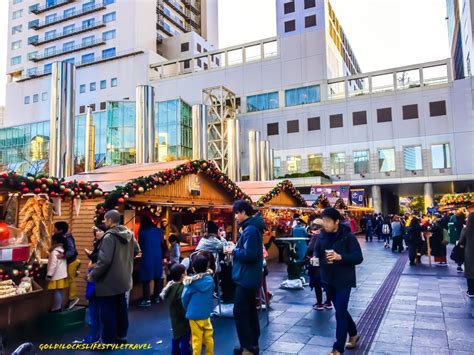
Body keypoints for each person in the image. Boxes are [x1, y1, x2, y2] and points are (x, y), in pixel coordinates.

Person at [314, 208, 363, 355]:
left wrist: (340, 257)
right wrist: (315, 259)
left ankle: (337, 349)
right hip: (327, 279)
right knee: (341, 310)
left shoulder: (348, 237)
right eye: (324, 221)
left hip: (344, 280)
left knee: (340, 313)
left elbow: (358, 257)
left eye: (329, 221)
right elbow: (316, 251)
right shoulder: (321, 236)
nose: (326, 224)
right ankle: (353, 333)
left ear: (336, 222)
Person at [87, 210, 140, 344]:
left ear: (110, 220)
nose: (104, 222)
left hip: (108, 281)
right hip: (124, 279)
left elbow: (104, 261)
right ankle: (121, 336)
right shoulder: (129, 233)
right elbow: (137, 251)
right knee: (121, 309)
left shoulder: (109, 237)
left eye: (105, 220)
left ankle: (107, 341)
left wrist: (93, 275)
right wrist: (124, 260)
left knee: (107, 311)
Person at [225, 200, 264, 355]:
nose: (235, 216)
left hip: (246, 277)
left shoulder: (250, 230)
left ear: (243, 212)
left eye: (236, 213)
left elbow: (250, 254)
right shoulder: (251, 228)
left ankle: (248, 347)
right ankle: (252, 344)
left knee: (240, 311)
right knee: (249, 311)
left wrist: (233, 250)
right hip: (249, 276)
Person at [77, 224, 108, 344]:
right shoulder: (99, 244)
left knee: (95, 307)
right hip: (94, 276)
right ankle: (95, 335)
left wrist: (92, 268)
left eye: (100, 230)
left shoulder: (105, 245)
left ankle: (95, 336)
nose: (97, 232)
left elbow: (102, 262)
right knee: (94, 306)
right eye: (97, 230)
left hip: (97, 277)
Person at [181, 255, 215, 355]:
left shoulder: (190, 283)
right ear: (207, 267)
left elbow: (184, 298)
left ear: (193, 268)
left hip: (194, 314)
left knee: (196, 338)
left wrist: (187, 309)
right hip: (206, 314)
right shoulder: (210, 280)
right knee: (209, 336)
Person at [160, 263, 191, 355]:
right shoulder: (182, 288)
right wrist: (188, 316)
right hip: (183, 320)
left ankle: (175, 352)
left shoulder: (171, 286)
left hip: (174, 317)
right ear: (183, 275)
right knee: (185, 339)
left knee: (176, 336)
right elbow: (183, 305)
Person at [138, 216, 167, 307]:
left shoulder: (142, 232)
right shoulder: (159, 231)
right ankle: (156, 297)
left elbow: (140, 246)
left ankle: (147, 299)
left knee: (146, 278)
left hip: (147, 255)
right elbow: (163, 244)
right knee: (157, 277)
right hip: (158, 256)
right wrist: (164, 256)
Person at [306, 219, 332, 311]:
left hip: (316, 261)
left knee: (316, 282)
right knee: (327, 282)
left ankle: (319, 303)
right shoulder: (329, 235)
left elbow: (310, 249)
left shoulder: (316, 236)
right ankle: (328, 302)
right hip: (327, 262)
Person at [54, 221, 80, 310]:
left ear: (60, 230)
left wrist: (64, 255)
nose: (54, 229)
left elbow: (72, 250)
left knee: (70, 279)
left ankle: (73, 298)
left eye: (55, 228)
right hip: (68, 261)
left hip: (72, 261)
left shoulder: (67, 237)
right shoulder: (62, 237)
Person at [47, 233, 69, 312]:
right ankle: (59, 306)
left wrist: (49, 275)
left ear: (55, 241)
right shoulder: (63, 251)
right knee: (59, 291)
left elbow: (53, 265)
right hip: (62, 274)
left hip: (56, 275)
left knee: (56, 291)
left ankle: (56, 307)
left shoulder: (54, 252)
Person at [459, 212, 474, 297]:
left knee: (470, 271)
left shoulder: (466, 229)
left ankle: (471, 290)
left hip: (469, 252)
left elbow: (461, 241)